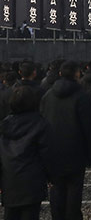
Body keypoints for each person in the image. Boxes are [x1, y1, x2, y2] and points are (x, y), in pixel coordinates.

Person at [39, 61, 91, 220]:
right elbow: (88, 127)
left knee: (56, 188)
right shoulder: (82, 96)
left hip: (52, 149)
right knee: (74, 190)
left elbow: (42, 122)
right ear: (77, 74)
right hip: (75, 150)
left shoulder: (47, 96)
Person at [0, 86, 57, 220]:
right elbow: (47, 153)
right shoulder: (41, 123)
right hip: (32, 179)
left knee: (10, 214)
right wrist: (51, 176)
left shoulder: (4, 125)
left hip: (9, 177)